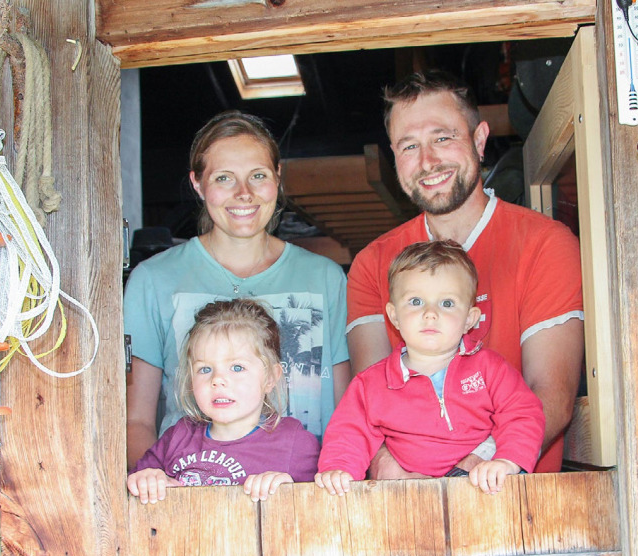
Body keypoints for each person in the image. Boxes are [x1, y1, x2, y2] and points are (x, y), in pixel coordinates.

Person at [346, 70, 583, 474]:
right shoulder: (371, 264)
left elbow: (550, 396)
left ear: (478, 139)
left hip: (522, 510)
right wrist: (402, 482)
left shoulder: (545, 242)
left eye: (442, 137)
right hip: (411, 507)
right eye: (409, 146)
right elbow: (367, 409)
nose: (427, 161)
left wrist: (470, 473)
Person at [124, 111, 350, 470]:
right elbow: (136, 421)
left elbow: (346, 411)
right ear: (197, 184)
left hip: (304, 497)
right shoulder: (153, 280)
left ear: (277, 177)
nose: (243, 193)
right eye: (224, 178)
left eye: (257, 176)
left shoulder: (324, 277)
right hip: (191, 497)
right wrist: (157, 491)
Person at [317, 241, 544, 495]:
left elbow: (522, 413)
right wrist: (339, 469)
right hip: (405, 499)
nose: (430, 313)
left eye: (446, 303)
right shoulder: (372, 383)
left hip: (480, 492)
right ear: (393, 317)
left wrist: (507, 461)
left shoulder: (490, 369)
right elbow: (349, 432)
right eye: (416, 301)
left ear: (470, 319)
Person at [128, 299, 320, 503]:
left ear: (270, 378)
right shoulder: (178, 436)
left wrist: (289, 491)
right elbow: (134, 488)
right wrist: (148, 479)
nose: (217, 380)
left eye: (237, 367)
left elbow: (324, 511)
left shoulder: (295, 443)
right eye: (205, 369)